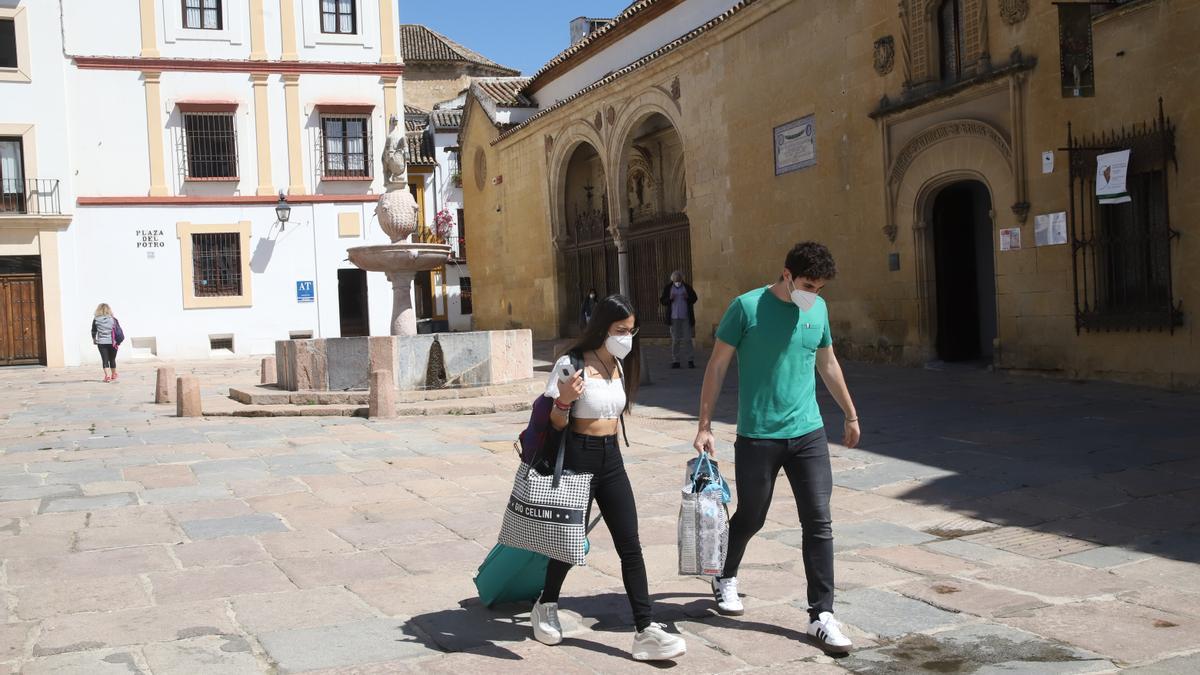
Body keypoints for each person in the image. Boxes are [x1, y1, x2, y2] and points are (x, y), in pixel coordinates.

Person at [692, 241, 860, 654]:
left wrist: (850, 414)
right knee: (752, 516)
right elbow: (717, 365)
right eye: (807, 285)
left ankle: (821, 615)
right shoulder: (746, 308)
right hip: (758, 435)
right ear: (787, 274)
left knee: (819, 521)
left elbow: (828, 363)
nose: (813, 294)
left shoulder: (817, 310)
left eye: (820, 288)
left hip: (808, 433)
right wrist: (705, 425)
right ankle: (724, 573)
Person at [535, 294, 687, 662]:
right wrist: (564, 401)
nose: (627, 338)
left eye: (631, 331)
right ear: (602, 327)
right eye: (621, 330)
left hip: (611, 458)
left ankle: (645, 629)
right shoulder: (571, 365)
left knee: (630, 544)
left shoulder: (619, 363)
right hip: (577, 458)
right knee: (568, 542)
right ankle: (545, 604)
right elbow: (552, 424)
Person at [660, 271, 698, 369]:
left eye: (679, 280)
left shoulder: (687, 287)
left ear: (681, 279)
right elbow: (663, 301)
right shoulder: (668, 288)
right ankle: (675, 360)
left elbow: (694, 298)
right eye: (675, 280)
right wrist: (670, 299)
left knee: (688, 339)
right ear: (672, 280)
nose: (677, 282)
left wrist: (687, 297)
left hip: (685, 317)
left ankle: (690, 360)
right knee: (675, 340)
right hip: (674, 318)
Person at [91, 303, 120, 383]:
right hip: (113, 342)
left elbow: (93, 330)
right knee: (112, 359)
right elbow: (118, 330)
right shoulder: (113, 319)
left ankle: (107, 376)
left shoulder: (96, 319)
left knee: (105, 359)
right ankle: (114, 374)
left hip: (102, 342)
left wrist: (94, 339)